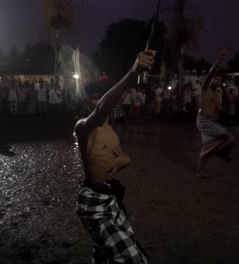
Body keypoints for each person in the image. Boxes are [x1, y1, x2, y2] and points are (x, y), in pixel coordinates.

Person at [75, 50, 155, 263]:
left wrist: (120, 161)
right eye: (94, 97)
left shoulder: (111, 132)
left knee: (105, 252)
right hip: (93, 201)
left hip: (110, 197)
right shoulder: (83, 127)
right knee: (131, 257)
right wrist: (131, 74)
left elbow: (124, 157)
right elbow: (102, 108)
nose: (98, 101)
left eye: (101, 95)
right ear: (87, 101)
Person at [196, 49, 235, 178]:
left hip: (211, 121)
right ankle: (222, 154)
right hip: (203, 120)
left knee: (207, 149)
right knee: (228, 137)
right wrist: (219, 60)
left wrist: (227, 106)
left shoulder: (217, 94)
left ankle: (200, 171)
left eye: (218, 79)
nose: (216, 80)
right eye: (215, 78)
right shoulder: (205, 88)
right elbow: (210, 73)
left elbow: (219, 109)